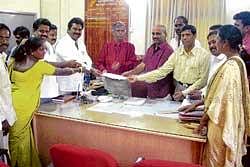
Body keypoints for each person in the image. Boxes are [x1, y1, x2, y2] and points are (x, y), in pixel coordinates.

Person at [8, 37, 83, 167]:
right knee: (18, 138)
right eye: (41, 49)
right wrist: (80, 70)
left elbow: (50, 63)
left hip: (12, 102)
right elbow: (63, 72)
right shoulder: (39, 66)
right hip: (25, 105)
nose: (44, 52)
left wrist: (66, 63)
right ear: (31, 51)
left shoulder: (14, 61)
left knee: (20, 136)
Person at [196, 25, 250, 167]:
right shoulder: (235, 62)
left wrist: (202, 121)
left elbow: (219, 102)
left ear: (225, 42)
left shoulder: (231, 67)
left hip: (221, 123)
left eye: (217, 39)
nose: (215, 43)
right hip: (224, 119)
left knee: (217, 160)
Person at [128, 25, 210, 101]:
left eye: (188, 35)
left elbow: (203, 80)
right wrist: (138, 78)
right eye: (182, 35)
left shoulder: (204, 55)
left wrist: (185, 93)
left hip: (195, 91)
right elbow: (162, 71)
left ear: (195, 36)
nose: (184, 38)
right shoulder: (177, 54)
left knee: (190, 115)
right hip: (178, 89)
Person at [179, 27, 227, 112]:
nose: (211, 46)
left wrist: (201, 96)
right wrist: (201, 92)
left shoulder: (226, 61)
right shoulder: (212, 59)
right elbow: (209, 84)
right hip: (206, 102)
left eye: (214, 42)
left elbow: (220, 90)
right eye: (209, 43)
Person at [122, 25, 174, 98]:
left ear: (165, 35)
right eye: (153, 33)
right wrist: (129, 73)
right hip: (150, 91)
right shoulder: (151, 48)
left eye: (158, 34)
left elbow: (159, 73)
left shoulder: (168, 50)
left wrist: (137, 78)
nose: (155, 36)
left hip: (162, 93)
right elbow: (143, 65)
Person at [55, 17, 92, 94]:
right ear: (68, 30)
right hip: (65, 86)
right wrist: (90, 69)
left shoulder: (80, 43)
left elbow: (87, 59)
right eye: (74, 29)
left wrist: (89, 66)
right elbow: (74, 62)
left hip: (78, 83)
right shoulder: (62, 43)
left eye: (79, 30)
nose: (77, 32)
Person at [33, 18, 60, 102]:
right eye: (41, 31)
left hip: (51, 93)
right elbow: (44, 65)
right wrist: (68, 65)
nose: (44, 34)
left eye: (46, 32)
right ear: (34, 30)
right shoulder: (29, 46)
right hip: (37, 94)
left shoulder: (48, 46)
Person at [0, 23, 16, 162]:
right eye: (0, 37)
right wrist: (2, 118)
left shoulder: (2, 57)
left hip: (6, 114)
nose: (4, 41)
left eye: (6, 38)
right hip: (1, 118)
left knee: (4, 153)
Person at [233, 11, 250, 83]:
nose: (234, 28)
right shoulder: (239, 40)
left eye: (237, 25)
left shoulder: (247, 47)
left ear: (247, 28)